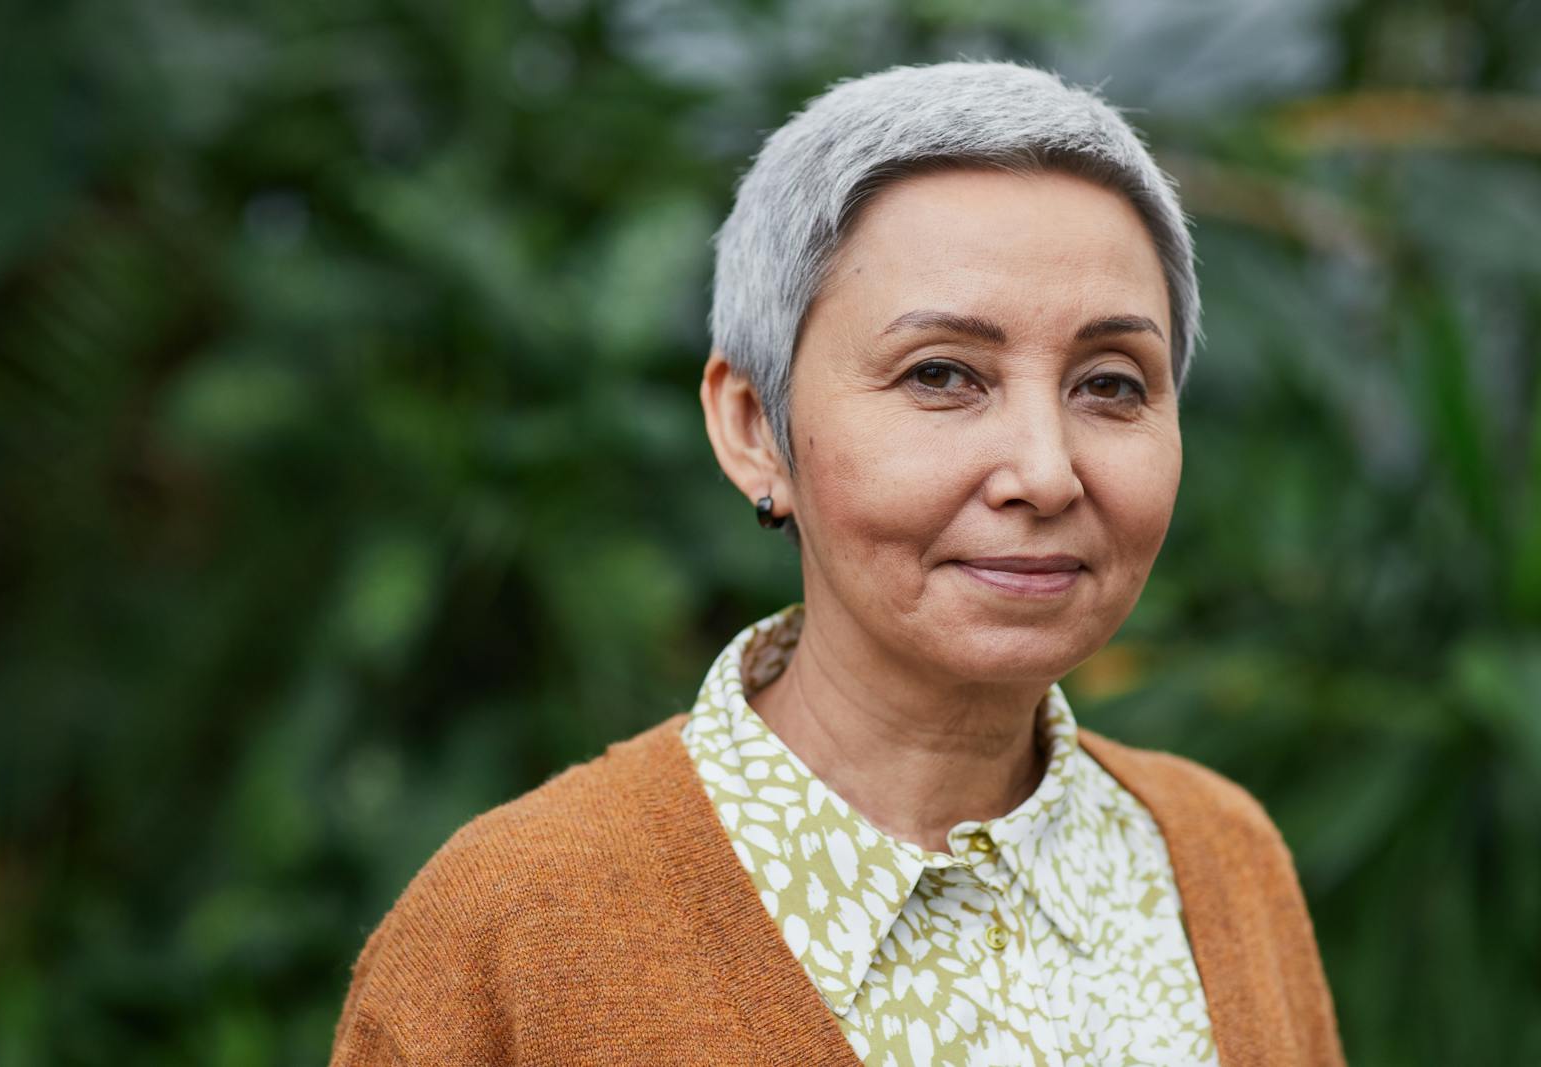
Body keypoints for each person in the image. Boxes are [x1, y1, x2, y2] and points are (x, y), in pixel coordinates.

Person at [328, 60, 1346, 1067]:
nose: (1045, 472)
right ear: (752, 428)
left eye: (1112, 385)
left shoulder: (1218, 859)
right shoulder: (509, 938)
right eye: (941, 374)